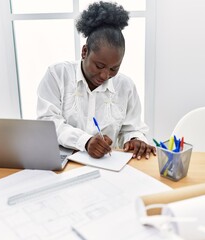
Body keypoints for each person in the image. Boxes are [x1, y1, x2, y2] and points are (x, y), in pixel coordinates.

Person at [37, 1, 156, 159]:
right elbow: (48, 122)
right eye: (99, 66)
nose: (105, 75)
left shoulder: (125, 86)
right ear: (84, 52)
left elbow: (132, 128)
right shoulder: (57, 74)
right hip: (64, 163)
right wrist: (85, 141)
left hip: (108, 166)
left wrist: (135, 139)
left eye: (114, 68)